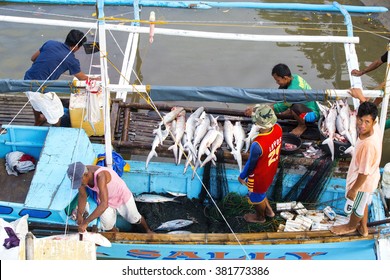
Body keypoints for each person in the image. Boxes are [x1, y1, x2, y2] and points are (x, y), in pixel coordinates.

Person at [330, 92, 382, 237]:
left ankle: (351, 226)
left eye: (367, 122)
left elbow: (364, 173)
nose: (362, 125)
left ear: (373, 122)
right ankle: (364, 229)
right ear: (357, 117)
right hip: (369, 176)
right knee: (363, 203)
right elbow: (368, 109)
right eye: (360, 120)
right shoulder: (374, 128)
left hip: (363, 183)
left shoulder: (368, 146)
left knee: (357, 206)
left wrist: (354, 189)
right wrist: (360, 97)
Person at [24, 29, 90, 126]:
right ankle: (56, 131)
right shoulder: (71, 60)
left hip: (26, 82)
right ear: (76, 47)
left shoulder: (50, 43)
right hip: (41, 91)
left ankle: (38, 120)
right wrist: (96, 80)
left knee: (35, 102)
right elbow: (82, 78)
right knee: (57, 113)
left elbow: (33, 58)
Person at [67, 161, 153, 233]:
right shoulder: (79, 174)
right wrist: (79, 214)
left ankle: (148, 230)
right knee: (107, 224)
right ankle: (116, 233)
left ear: (86, 175)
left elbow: (104, 204)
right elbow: (82, 195)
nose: (80, 185)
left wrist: (86, 222)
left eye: (80, 183)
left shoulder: (100, 176)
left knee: (134, 218)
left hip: (121, 196)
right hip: (104, 197)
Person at [245, 63, 320, 137]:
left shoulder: (293, 91)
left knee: (295, 107)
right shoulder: (294, 77)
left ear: (285, 78)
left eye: (278, 80)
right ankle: (292, 111)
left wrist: (256, 110)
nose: (277, 83)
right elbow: (279, 98)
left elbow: (279, 107)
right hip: (305, 105)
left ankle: (302, 126)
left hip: (312, 114)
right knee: (282, 92)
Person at [238, 104, 282, 223]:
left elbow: (251, 165)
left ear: (257, 124)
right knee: (262, 192)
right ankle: (269, 212)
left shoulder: (258, 144)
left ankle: (260, 217)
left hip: (260, 176)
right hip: (271, 169)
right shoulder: (278, 128)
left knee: (256, 196)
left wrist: (242, 176)